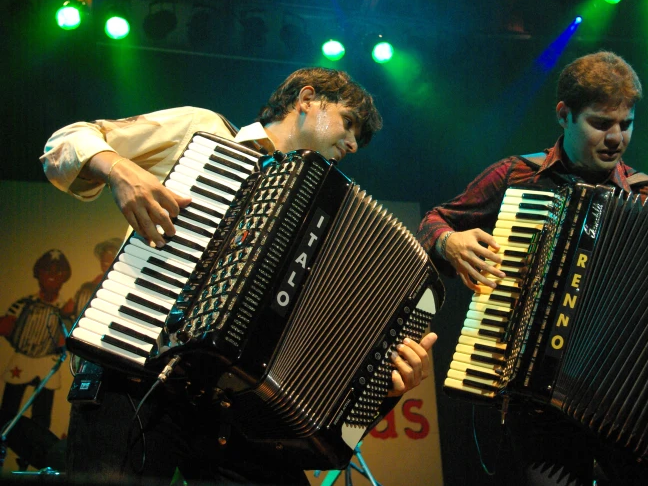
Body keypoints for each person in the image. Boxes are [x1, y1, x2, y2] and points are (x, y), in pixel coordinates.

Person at [41, 67, 438, 485]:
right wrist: (119, 170)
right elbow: (64, 142)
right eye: (349, 123)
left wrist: (381, 382)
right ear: (306, 100)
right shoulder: (205, 133)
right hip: (136, 370)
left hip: (235, 412)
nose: (354, 144)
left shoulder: (326, 215)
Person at [416, 51, 648, 485]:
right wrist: (450, 242)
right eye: (601, 124)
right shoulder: (518, 177)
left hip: (635, 414)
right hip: (538, 415)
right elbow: (436, 220)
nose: (617, 137)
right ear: (564, 115)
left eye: (627, 124)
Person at [1, 249, 73, 433]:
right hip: (21, 361)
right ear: (38, 273)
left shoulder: (63, 310)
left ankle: (32, 456)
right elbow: (7, 325)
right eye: (47, 270)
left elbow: (65, 339)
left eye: (58, 272)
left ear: (64, 277)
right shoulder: (24, 303)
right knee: (9, 409)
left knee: (41, 415)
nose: (52, 275)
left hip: (46, 364)